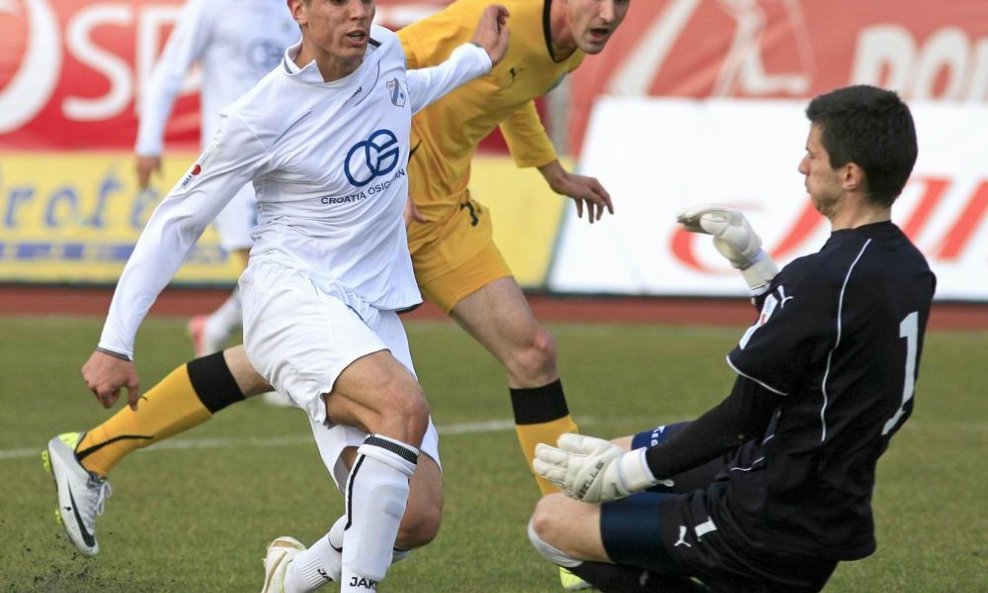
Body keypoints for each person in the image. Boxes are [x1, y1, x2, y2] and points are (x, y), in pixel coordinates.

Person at [46, 0, 626, 587]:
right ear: (298, 9)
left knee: (413, 518)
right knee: (401, 407)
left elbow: (415, 88)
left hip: (368, 310)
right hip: (293, 297)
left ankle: (292, 577)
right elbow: (177, 221)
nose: (358, 15)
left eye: (366, 3)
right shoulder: (260, 115)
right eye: (339, 3)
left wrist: (477, 60)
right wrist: (115, 342)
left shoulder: (387, 55)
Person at [525, 85, 936, 593]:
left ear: (850, 175)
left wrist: (627, 476)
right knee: (602, 456)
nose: (802, 167)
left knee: (552, 523)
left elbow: (738, 420)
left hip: (773, 511)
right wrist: (754, 264)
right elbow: (818, 335)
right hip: (824, 489)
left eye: (813, 155)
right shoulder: (909, 267)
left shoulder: (823, 277)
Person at [134, 0, 298, 359]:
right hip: (232, 159)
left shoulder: (291, 8)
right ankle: (283, 369)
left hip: (288, 158)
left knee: (287, 267)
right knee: (264, 269)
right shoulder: (211, 6)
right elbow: (169, 70)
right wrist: (148, 141)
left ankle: (218, 327)